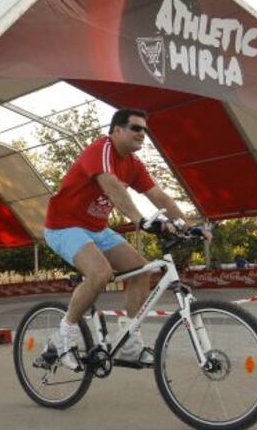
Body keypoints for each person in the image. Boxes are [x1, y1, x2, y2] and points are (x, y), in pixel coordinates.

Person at [38, 108, 212, 370]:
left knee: (142, 272)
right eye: (136, 128)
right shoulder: (101, 149)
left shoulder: (133, 165)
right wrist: (139, 219)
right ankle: (64, 336)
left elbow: (160, 197)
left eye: (145, 130)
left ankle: (128, 342)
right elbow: (111, 185)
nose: (143, 134)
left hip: (96, 229)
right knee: (100, 273)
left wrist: (188, 226)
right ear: (117, 130)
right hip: (64, 226)